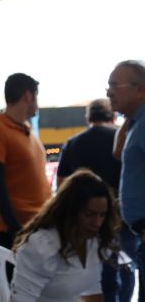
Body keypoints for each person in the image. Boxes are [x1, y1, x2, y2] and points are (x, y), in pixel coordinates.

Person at [57, 98, 135, 302]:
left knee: (96, 272)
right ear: (111, 115)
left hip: (86, 220)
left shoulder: (73, 143)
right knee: (127, 268)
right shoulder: (123, 140)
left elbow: (61, 186)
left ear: (89, 117)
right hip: (123, 216)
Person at [10, 169, 119, 302]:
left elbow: (93, 291)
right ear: (70, 211)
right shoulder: (42, 247)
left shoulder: (94, 242)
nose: (97, 223)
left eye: (102, 215)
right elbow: (20, 299)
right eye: (89, 214)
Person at [0, 73, 51, 252]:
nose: (37, 104)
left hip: (38, 224)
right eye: (36, 97)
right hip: (15, 230)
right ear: (28, 96)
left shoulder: (26, 130)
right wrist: (15, 228)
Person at [107, 60, 145, 301]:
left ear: (140, 89)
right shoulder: (136, 122)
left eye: (114, 85)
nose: (109, 92)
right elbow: (118, 153)